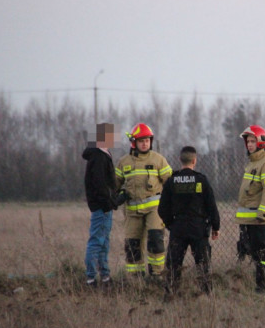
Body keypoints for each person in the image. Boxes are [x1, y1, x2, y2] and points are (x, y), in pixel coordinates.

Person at [158, 146, 220, 298]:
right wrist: (215, 227)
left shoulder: (172, 181)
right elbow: (211, 206)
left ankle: (170, 294)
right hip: (198, 228)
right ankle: (206, 294)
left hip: (178, 228)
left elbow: (162, 208)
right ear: (194, 160)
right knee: (203, 264)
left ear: (180, 160)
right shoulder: (201, 180)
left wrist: (170, 224)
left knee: (173, 265)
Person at [115, 123, 172, 282]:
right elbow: (115, 184)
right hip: (132, 212)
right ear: (134, 142)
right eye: (141, 140)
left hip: (155, 210)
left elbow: (170, 183)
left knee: (155, 240)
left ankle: (157, 276)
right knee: (132, 245)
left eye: (147, 140)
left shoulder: (158, 160)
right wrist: (119, 195)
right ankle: (136, 279)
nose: (145, 143)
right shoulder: (123, 162)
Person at [235, 125, 265, 293]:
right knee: (257, 256)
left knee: (264, 256)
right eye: (248, 141)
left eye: (253, 141)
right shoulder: (254, 163)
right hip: (253, 220)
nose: (249, 144)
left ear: (261, 142)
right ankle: (260, 286)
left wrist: (263, 214)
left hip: (262, 220)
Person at [82, 123, 118, 288]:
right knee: (96, 241)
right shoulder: (98, 156)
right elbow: (99, 184)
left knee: (104, 243)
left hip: (105, 207)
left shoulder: (103, 154)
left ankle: (105, 277)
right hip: (101, 208)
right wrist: (108, 202)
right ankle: (91, 279)